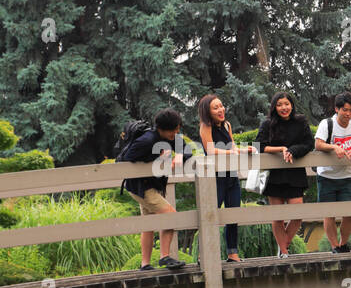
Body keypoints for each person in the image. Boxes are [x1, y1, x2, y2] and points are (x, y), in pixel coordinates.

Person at [117, 108, 190, 270]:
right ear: (163, 129)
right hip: (141, 187)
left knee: (149, 223)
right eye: (174, 130)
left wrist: (179, 155)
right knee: (171, 216)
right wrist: (157, 158)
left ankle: (145, 264)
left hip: (150, 186)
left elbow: (187, 150)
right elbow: (124, 160)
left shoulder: (171, 138)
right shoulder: (147, 140)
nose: (176, 133)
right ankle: (164, 257)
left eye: (178, 129)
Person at [255, 92, 314, 258]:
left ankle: (284, 243)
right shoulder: (268, 124)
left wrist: (292, 150)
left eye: (286, 104)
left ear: (292, 105)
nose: (284, 108)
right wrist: (281, 149)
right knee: (277, 216)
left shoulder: (300, 121)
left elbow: (309, 144)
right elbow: (258, 146)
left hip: (295, 173)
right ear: (275, 107)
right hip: (274, 175)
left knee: (297, 214)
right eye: (280, 104)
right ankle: (284, 251)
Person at [198, 94, 253, 262]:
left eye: (221, 106)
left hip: (231, 175)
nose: (221, 110)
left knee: (233, 215)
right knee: (210, 216)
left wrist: (244, 150)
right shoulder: (205, 126)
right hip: (215, 177)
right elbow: (211, 150)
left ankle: (232, 253)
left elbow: (232, 146)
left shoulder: (227, 125)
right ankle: (204, 255)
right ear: (207, 112)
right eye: (215, 108)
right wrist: (232, 152)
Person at [314, 92, 351, 253]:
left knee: (348, 213)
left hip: (346, 175)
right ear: (337, 109)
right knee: (329, 214)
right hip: (326, 175)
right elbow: (318, 144)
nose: (348, 114)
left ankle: (343, 243)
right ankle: (334, 246)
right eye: (345, 110)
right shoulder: (327, 123)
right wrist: (334, 147)